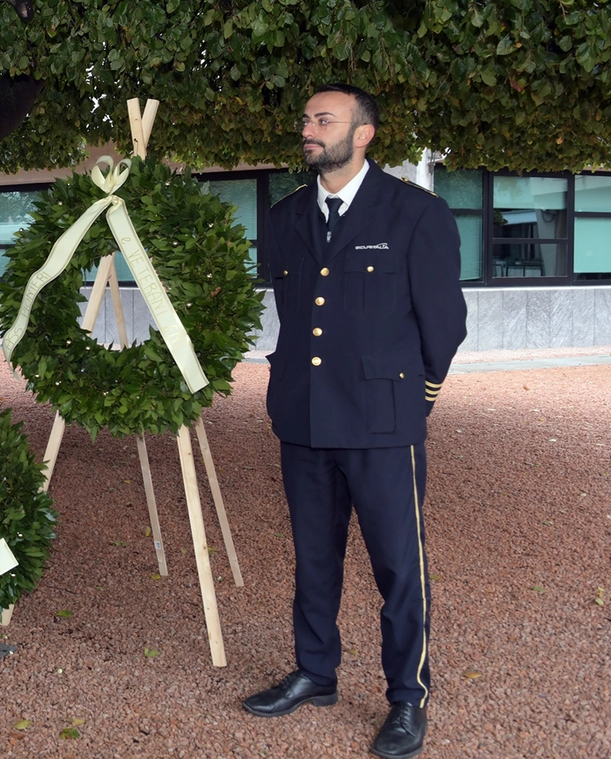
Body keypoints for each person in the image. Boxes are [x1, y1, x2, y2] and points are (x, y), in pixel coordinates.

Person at [243, 84, 468, 759]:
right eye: (305, 117)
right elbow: (297, 310)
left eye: (323, 119)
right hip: (305, 420)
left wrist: (411, 400)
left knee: (399, 566)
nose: (307, 128)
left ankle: (407, 697)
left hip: (381, 424)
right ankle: (316, 670)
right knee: (313, 558)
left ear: (363, 133)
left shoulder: (415, 214)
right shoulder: (284, 217)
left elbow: (444, 328)